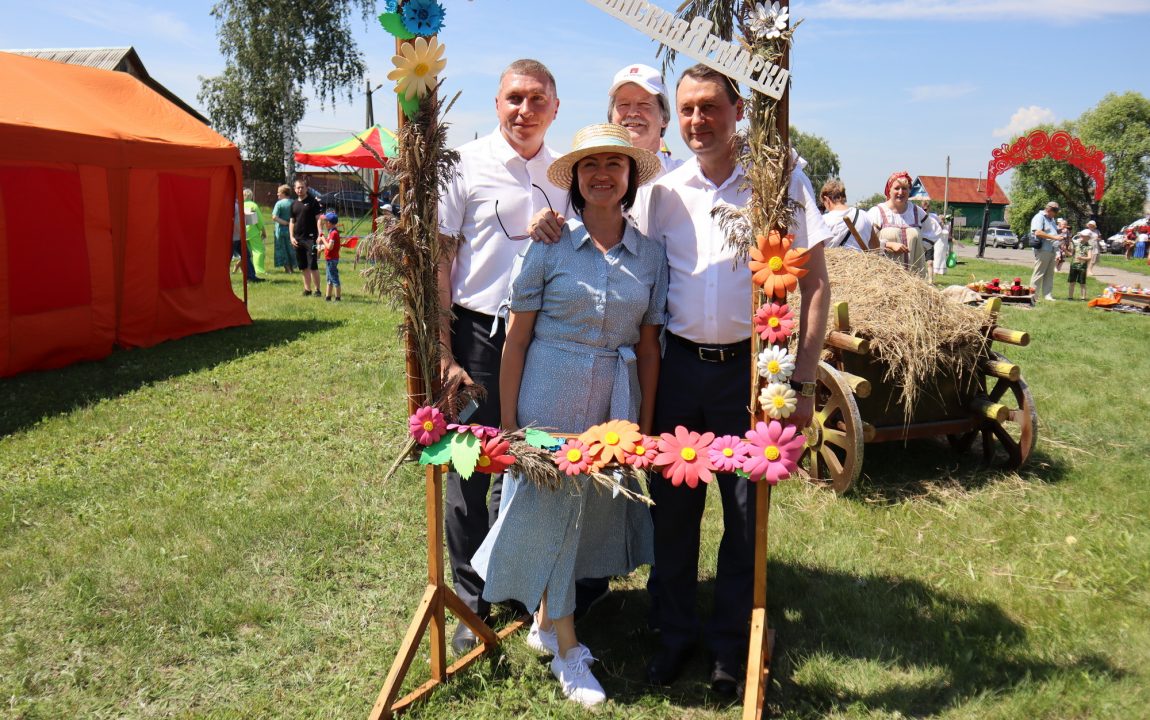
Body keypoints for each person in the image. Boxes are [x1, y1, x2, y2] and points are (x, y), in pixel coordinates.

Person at [637, 64, 831, 695]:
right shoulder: (663, 191)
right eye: (687, 109)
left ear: (738, 108)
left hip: (754, 377)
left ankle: (730, 647)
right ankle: (674, 636)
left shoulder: (779, 184)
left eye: (709, 107)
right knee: (674, 514)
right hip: (680, 371)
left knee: (745, 517)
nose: (697, 121)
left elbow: (816, 285)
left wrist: (799, 383)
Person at [473, 123, 665, 707]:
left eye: (614, 164)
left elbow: (651, 345)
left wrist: (646, 428)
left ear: (631, 177)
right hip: (546, 398)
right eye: (589, 166)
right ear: (576, 181)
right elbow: (516, 340)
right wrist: (509, 425)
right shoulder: (547, 245)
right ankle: (568, 650)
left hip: (613, 400)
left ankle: (543, 622)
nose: (602, 175)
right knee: (551, 513)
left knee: (581, 521)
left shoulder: (651, 255)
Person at [436, 58, 568, 655]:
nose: (525, 110)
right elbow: (440, 259)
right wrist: (443, 350)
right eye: (514, 98)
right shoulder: (463, 165)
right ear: (496, 104)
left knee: (526, 464)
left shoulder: (565, 174)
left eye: (537, 100)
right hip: (477, 336)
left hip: (543, 340)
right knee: (470, 469)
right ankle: (469, 604)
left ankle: (513, 583)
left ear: (555, 109)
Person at [865, 172, 943, 278]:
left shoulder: (917, 212)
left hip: (914, 278)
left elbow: (934, 232)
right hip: (885, 278)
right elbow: (865, 241)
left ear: (909, 190)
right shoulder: (877, 212)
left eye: (905, 188)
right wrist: (888, 245)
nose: (901, 192)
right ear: (889, 190)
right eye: (897, 188)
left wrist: (917, 248)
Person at [289, 177, 323, 297]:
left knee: (313, 265)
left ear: (306, 188)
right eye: (298, 187)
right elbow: (292, 221)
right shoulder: (293, 204)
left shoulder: (313, 202)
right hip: (298, 239)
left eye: (302, 187)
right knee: (303, 266)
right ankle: (307, 289)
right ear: (294, 189)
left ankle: (317, 290)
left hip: (311, 238)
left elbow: (319, 219)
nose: (300, 190)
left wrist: (320, 235)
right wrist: (291, 237)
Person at [819, 178, 873, 252]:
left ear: (826, 199)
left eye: (823, 203)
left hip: (834, 263)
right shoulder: (864, 215)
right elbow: (875, 246)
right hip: (863, 262)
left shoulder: (823, 221)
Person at [1030, 201, 1062, 301]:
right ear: (1049, 209)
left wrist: (1057, 252)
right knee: (1039, 273)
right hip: (1043, 249)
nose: (1056, 213)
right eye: (1055, 210)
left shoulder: (1052, 219)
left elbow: (1054, 233)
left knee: (1050, 274)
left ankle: (1048, 295)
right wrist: (1055, 237)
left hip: (1052, 249)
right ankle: (1033, 295)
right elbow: (1038, 232)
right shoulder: (1039, 217)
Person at [271, 184, 297, 274]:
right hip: (292, 231)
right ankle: (292, 267)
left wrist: (285, 223)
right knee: (291, 249)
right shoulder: (294, 202)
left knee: (282, 250)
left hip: (281, 230)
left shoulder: (279, 203)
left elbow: (274, 217)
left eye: (279, 192)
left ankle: (287, 269)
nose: (277, 194)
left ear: (283, 193)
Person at [243, 188, 268, 278]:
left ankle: (246, 270)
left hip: (241, 232)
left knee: (245, 253)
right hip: (252, 232)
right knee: (258, 251)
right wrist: (263, 230)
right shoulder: (253, 205)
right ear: (251, 196)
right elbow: (259, 220)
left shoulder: (239, 205)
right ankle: (259, 270)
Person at [319, 211, 342, 302]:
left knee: (334, 278)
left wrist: (322, 238)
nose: (324, 223)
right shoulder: (331, 231)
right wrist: (322, 248)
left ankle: (338, 298)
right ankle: (328, 297)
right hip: (329, 259)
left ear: (329, 223)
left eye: (325, 221)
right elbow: (328, 246)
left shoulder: (333, 233)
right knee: (329, 279)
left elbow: (330, 246)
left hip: (332, 259)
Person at [1068, 230, 1091, 301]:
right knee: (1072, 282)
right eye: (1081, 235)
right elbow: (1071, 254)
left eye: (1083, 235)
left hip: (1082, 267)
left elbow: (1089, 257)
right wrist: (1065, 250)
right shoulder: (1076, 244)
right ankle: (1070, 297)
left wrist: (1082, 258)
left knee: (1082, 283)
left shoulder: (1089, 246)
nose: (1081, 236)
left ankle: (1083, 298)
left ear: (1088, 238)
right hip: (1073, 265)